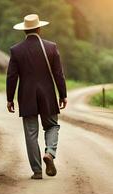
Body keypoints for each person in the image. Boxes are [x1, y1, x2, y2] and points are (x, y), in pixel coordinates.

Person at [6, 14, 67, 179]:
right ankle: (50, 152)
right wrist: (63, 95)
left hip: (27, 97)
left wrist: (9, 98)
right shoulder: (51, 47)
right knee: (52, 126)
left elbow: (12, 77)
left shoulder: (16, 50)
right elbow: (58, 74)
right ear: (39, 29)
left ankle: (37, 171)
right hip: (47, 95)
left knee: (31, 134)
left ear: (25, 31)